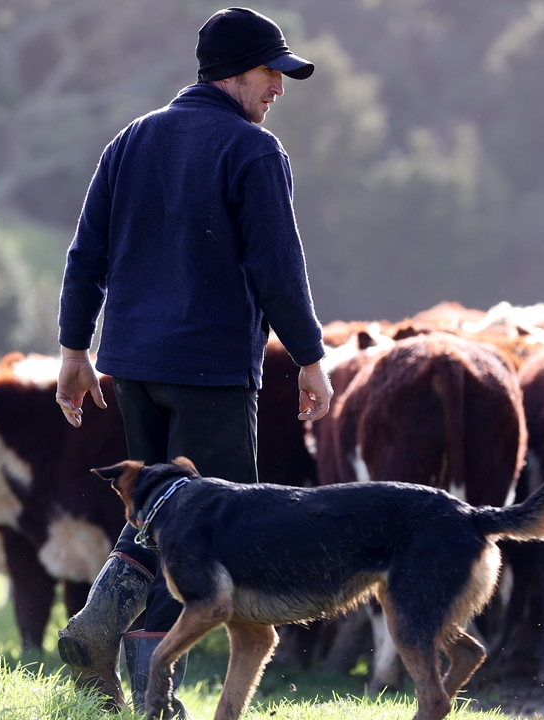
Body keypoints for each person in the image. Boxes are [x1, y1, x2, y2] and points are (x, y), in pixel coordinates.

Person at [52, 7, 333, 715]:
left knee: (155, 514)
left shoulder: (130, 140)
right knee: (206, 531)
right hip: (210, 370)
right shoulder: (252, 151)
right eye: (272, 72)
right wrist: (309, 356)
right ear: (236, 72)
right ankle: (156, 694)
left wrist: (74, 350)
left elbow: (85, 256)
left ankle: (99, 622)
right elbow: (277, 266)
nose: (279, 88)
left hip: (132, 366)